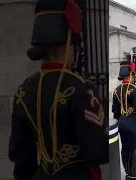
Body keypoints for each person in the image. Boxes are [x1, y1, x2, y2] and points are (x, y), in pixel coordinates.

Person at [8, 0, 109, 179]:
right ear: (69, 43)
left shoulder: (23, 91)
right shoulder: (82, 88)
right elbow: (97, 152)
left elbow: (21, 157)